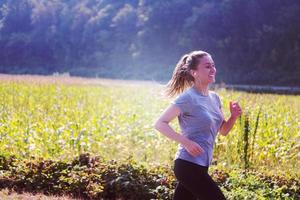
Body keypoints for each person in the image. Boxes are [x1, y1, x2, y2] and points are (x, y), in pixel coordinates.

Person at [154, 50, 242, 200]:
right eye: (207, 66)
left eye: (213, 65)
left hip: (202, 165)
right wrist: (186, 142)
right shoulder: (188, 98)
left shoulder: (215, 98)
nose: (213, 69)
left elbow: (223, 130)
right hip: (187, 164)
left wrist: (233, 116)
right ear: (194, 72)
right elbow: (160, 123)